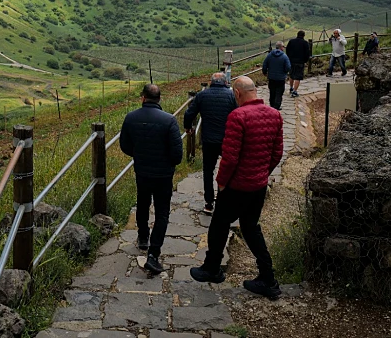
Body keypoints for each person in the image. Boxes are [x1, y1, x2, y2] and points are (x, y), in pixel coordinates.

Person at [190, 76, 284, 299]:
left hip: (237, 186)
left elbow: (230, 157)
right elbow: (277, 153)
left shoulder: (238, 116)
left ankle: (212, 268)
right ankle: (268, 278)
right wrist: (262, 173)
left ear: (238, 93)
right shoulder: (275, 115)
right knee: (251, 228)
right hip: (258, 185)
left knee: (219, 225)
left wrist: (221, 182)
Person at [119, 84, 184, 275]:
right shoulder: (169, 120)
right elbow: (177, 153)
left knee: (142, 203)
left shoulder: (131, 118)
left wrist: (138, 155)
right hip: (164, 174)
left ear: (143, 97)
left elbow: (125, 145)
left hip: (142, 170)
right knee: (162, 212)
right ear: (159, 99)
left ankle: (142, 237)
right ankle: (154, 253)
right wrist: (169, 163)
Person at [183, 72, 237, 215]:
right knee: (228, 169)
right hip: (228, 139)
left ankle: (208, 202)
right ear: (226, 82)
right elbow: (239, 114)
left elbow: (189, 113)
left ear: (211, 82)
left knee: (208, 170)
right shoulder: (231, 96)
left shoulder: (202, 95)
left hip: (209, 140)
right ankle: (223, 199)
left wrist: (188, 127)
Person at [261, 41, 290, 110]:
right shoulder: (284, 56)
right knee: (279, 93)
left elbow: (264, 65)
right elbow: (288, 67)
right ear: (281, 47)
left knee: (272, 92)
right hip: (281, 78)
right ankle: (276, 107)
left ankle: (272, 105)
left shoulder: (270, 55)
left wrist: (265, 72)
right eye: (283, 47)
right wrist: (285, 72)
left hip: (271, 78)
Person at [285, 31, 311, 98]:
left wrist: (289, 57)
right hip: (300, 62)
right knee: (298, 77)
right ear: (303, 35)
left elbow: (287, 50)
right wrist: (305, 60)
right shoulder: (305, 43)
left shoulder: (291, 41)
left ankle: (291, 88)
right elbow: (307, 53)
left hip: (291, 61)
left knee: (291, 74)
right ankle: (294, 91)